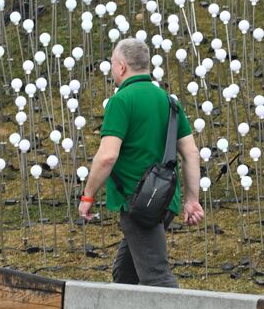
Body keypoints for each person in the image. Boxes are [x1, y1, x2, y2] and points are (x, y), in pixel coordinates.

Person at [77, 37, 205, 288]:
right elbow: (191, 154)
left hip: (138, 203)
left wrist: (88, 196)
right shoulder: (170, 103)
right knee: (125, 275)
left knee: (156, 277)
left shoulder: (122, 100)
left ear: (121, 67)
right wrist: (192, 199)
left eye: (113, 64)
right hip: (165, 201)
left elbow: (107, 156)